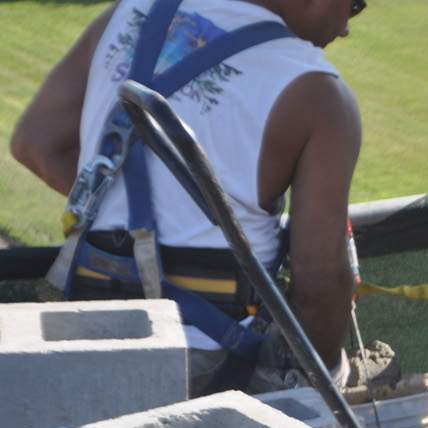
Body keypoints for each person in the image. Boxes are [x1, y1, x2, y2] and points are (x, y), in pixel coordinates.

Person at [10, 0, 365, 396]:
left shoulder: (130, 15)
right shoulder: (318, 92)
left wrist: (136, 209)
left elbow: (36, 145)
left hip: (77, 337)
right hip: (208, 367)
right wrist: (325, 381)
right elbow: (319, 282)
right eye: (355, 5)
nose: (346, 28)